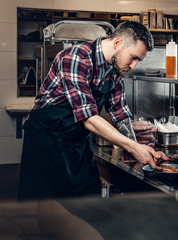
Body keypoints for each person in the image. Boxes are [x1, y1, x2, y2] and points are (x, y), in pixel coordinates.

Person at [18, 21, 168, 201]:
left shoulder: (115, 72)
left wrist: (143, 150)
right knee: (47, 209)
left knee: (89, 201)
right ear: (118, 43)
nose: (134, 66)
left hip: (77, 142)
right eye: (133, 57)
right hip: (48, 141)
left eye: (138, 61)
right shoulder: (75, 58)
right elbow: (88, 118)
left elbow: (120, 115)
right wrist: (134, 147)